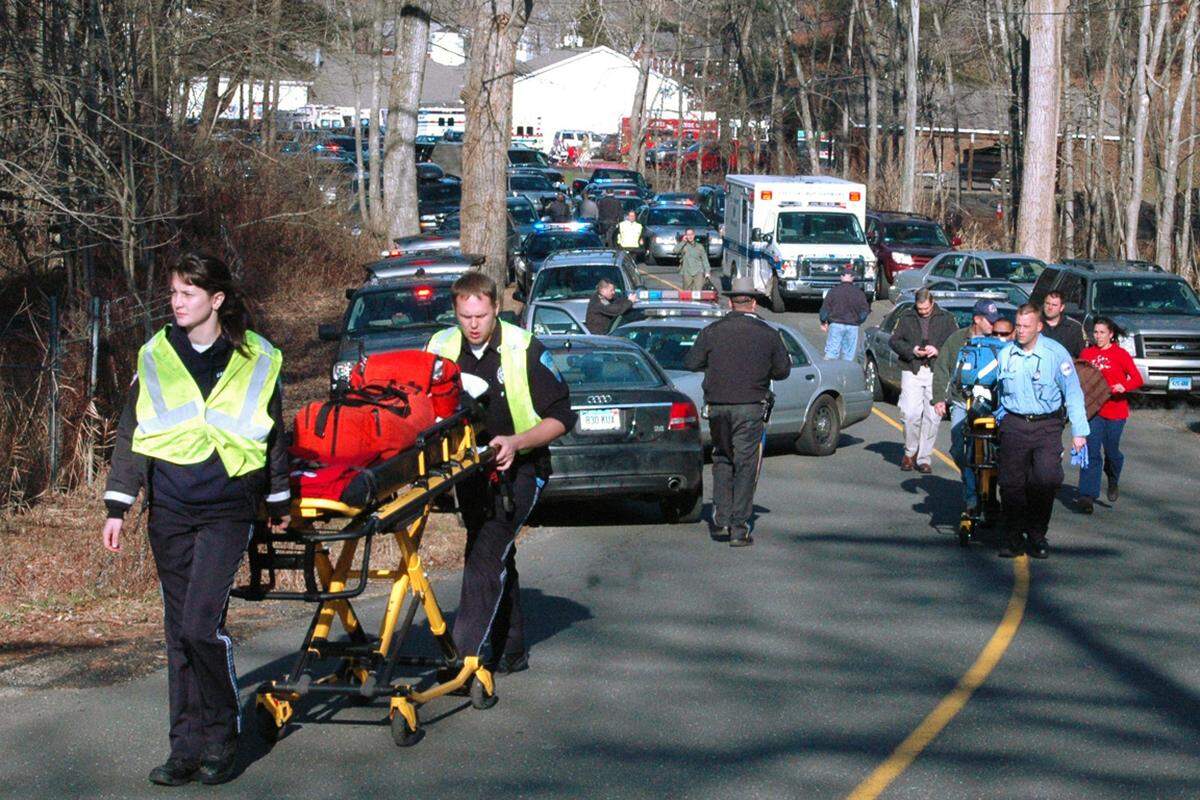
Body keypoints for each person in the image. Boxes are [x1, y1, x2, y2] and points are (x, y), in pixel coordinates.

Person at [101, 253, 290, 786]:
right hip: (171, 507)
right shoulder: (155, 354)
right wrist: (119, 504)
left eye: (187, 293)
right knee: (177, 631)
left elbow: (274, 430)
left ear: (216, 299)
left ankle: (222, 736)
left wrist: (278, 496)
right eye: (174, 293)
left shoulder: (257, 356)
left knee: (201, 626)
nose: (176, 302)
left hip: (228, 506)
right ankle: (184, 749)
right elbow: (130, 433)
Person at [426, 272, 575, 674]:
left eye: (481, 316)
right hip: (469, 470)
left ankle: (462, 656)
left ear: (496, 309)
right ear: (455, 313)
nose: (473, 325)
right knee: (493, 553)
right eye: (464, 317)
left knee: (485, 551)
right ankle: (511, 649)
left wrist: (516, 442)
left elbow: (562, 417)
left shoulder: (523, 347)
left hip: (523, 466)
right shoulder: (440, 347)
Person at [683, 277, 791, 546]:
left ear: (730, 303)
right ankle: (738, 527)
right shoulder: (768, 333)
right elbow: (783, 370)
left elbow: (692, 361)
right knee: (745, 464)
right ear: (753, 303)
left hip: (718, 406)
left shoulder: (712, 331)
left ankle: (721, 514)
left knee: (722, 458)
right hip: (750, 406)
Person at [994, 304, 1089, 559]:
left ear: (1039, 327)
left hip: (1046, 425)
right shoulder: (1006, 354)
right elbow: (999, 393)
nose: (1020, 331)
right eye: (1018, 326)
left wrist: (1079, 432)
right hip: (1014, 424)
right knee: (1011, 484)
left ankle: (1037, 534)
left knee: (1046, 480)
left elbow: (1073, 392)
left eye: (1026, 327)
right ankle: (1013, 537)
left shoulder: (1056, 355)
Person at [932, 299, 1002, 515]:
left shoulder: (998, 342)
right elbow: (943, 368)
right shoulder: (956, 340)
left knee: (992, 450)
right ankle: (971, 492)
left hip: (990, 404)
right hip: (961, 401)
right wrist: (939, 399)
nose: (993, 325)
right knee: (958, 449)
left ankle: (989, 492)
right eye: (988, 321)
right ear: (977, 320)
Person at [1076, 317, 1144, 513]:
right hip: (1094, 410)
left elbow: (1137, 379)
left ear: (1111, 334)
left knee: (1112, 452)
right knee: (1092, 451)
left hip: (1116, 410)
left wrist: (1124, 386)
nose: (1098, 336)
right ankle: (1087, 495)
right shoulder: (1087, 354)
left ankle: (1113, 478)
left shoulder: (1120, 354)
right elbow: (1080, 378)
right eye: (1095, 332)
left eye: (1102, 333)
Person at [888, 288, 958, 473]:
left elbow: (955, 342)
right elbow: (894, 341)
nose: (923, 312)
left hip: (936, 371)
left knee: (932, 416)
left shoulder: (946, 318)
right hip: (912, 369)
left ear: (932, 303)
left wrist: (938, 350)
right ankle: (910, 452)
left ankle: (924, 458)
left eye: (926, 309)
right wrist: (912, 350)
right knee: (910, 413)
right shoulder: (907, 317)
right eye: (920, 310)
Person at [819, 265, 872, 361]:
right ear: (853, 277)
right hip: (852, 326)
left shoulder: (833, 291)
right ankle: (846, 374)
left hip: (836, 324)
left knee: (831, 352)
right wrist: (858, 320)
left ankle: (830, 373)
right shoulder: (859, 293)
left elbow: (825, 309)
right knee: (848, 355)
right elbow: (865, 310)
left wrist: (823, 321)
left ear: (841, 277)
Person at [1040, 291, 1086, 357]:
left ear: (1061, 307)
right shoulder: (1034, 324)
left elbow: (1080, 355)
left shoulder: (1073, 327)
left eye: (1054, 305)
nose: (1050, 308)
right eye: (1047, 303)